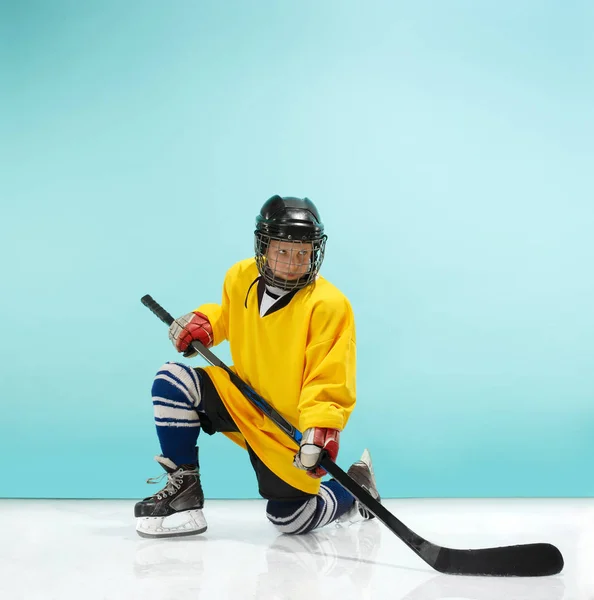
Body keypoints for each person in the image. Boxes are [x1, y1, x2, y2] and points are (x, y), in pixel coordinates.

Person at [135, 195, 381, 538]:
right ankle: (184, 491)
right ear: (264, 247)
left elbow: (329, 376)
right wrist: (206, 321)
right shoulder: (240, 276)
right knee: (172, 381)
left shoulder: (329, 305)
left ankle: (354, 488)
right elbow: (230, 313)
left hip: (285, 428)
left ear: (315, 253)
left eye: (303, 252)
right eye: (283, 250)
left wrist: (321, 428)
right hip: (240, 395)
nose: (293, 262)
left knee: (290, 521)